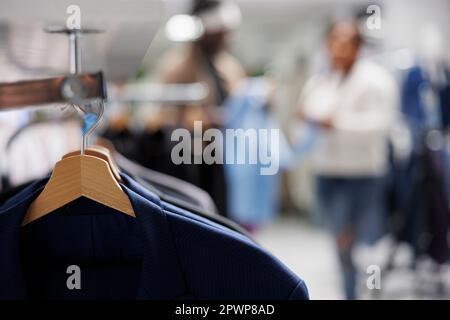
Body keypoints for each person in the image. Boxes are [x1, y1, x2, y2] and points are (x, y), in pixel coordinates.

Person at [298, 19, 398, 299]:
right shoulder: (322, 80)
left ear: (358, 46)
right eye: (333, 42)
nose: (338, 49)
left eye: (345, 43)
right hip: (328, 171)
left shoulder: (376, 80)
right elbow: (307, 111)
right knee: (340, 240)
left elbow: (380, 125)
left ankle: (360, 288)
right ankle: (351, 288)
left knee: (358, 239)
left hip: (362, 174)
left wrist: (336, 123)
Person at [146, 0, 246, 217]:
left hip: (224, 156)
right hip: (190, 160)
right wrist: (196, 120)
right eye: (220, 33)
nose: (225, 39)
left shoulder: (228, 66)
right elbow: (160, 116)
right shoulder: (176, 66)